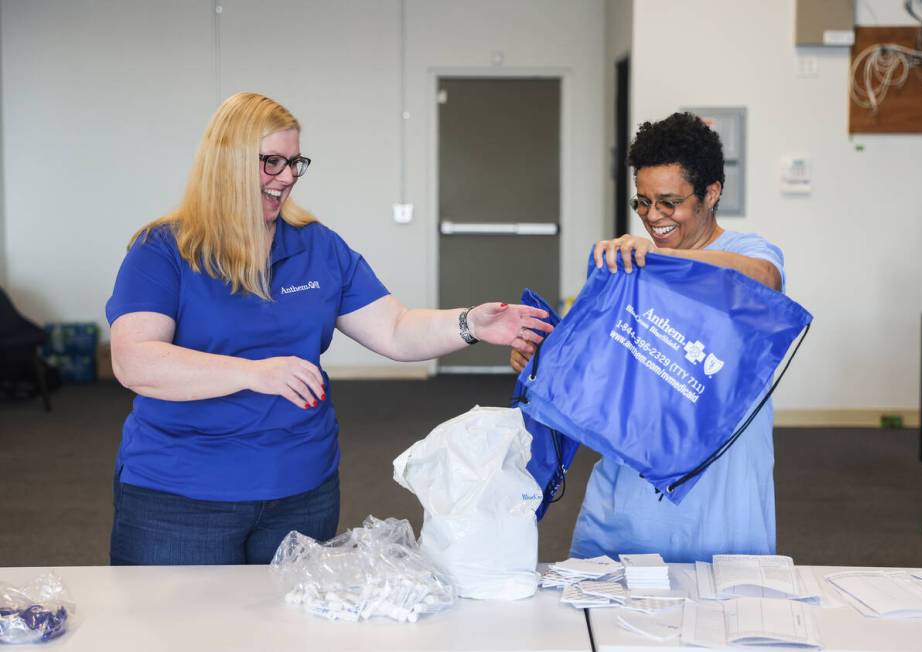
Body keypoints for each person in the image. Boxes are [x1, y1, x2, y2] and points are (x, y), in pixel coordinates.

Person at [105, 92, 552, 566]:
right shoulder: (163, 250)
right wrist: (254, 373)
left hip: (301, 490)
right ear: (226, 164)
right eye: (271, 162)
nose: (287, 178)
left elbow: (396, 330)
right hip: (180, 493)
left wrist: (470, 324)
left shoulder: (317, 246)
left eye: (295, 163)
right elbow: (135, 360)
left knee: (288, 633)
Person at [511, 112, 785, 562]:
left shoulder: (745, 253)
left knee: (719, 608)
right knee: (609, 609)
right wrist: (540, 362)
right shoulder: (630, 266)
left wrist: (663, 264)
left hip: (716, 487)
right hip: (631, 486)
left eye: (669, 202)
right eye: (643, 203)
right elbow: (595, 371)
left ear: (711, 193)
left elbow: (765, 280)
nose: (653, 218)